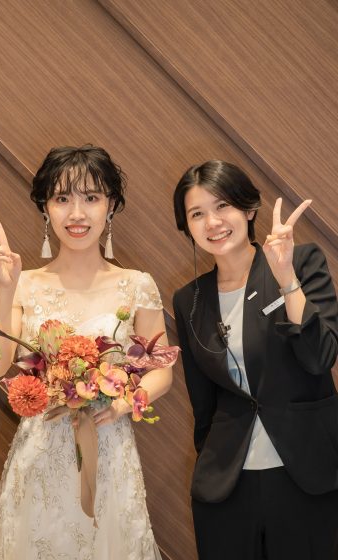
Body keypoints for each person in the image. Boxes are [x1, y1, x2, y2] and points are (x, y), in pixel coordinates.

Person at [0, 145, 171, 559]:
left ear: (110, 206)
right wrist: (4, 289)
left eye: (91, 198)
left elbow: (161, 370)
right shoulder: (24, 284)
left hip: (109, 448)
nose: (77, 213)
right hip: (40, 456)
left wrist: (122, 403)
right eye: (62, 198)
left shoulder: (137, 285)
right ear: (46, 209)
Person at [172, 160, 338, 559]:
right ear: (187, 226)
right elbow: (203, 404)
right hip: (227, 487)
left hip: (307, 474)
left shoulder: (302, 263)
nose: (213, 222)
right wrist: (212, 469)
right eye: (197, 214)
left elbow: (320, 358)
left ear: (248, 209)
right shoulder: (189, 299)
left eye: (222, 206)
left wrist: (286, 278)